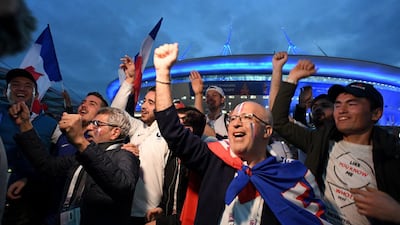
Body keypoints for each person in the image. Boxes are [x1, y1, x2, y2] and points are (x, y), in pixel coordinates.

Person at [152, 43, 328, 225]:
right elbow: (173, 131)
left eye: (247, 117)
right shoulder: (213, 158)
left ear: (267, 131)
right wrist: (163, 73)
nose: (236, 122)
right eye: (233, 118)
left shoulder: (290, 175)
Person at [271, 59, 400, 224]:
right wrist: (292, 79)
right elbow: (279, 121)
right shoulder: (320, 141)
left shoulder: (392, 156)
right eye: (338, 104)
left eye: (351, 103)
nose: (342, 110)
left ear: (376, 114)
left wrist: (395, 212)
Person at [10, 103, 140, 225]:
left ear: (115, 132)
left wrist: (81, 141)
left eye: (97, 124)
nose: (89, 127)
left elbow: (123, 186)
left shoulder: (124, 154)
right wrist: (25, 125)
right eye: (90, 123)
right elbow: (47, 165)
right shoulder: (83, 157)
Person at [112, 55, 170, 225]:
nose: (143, 106)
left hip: (151, 215)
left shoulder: (170, 132)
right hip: (123, 210)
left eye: (151, 102)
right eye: (144, 101)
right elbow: (114, 115)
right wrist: (129, 80)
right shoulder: (138, 127)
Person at [1, 68, 61, 225]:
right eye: (15, 84)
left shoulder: (51, 125)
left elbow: (57, 161)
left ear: (35, 94)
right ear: (4, 91)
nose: (21, 89)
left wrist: (30, 180)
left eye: (28, 86)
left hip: (27, 202)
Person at [145, 106, 209, 225]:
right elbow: (170, 191)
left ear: (188, 132)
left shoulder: (203, 164)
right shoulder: (172, 155)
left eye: (174, 126)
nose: (166, 131)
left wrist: (163, 223)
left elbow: (196, 211)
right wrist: (162, 208)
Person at [190, 71, 228, 139]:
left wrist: (198, 94)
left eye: (214, 95)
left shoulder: (228, 120)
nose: (210, 98)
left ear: (222, 99)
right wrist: (198, 94)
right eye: (208, 96)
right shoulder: (204, 119)